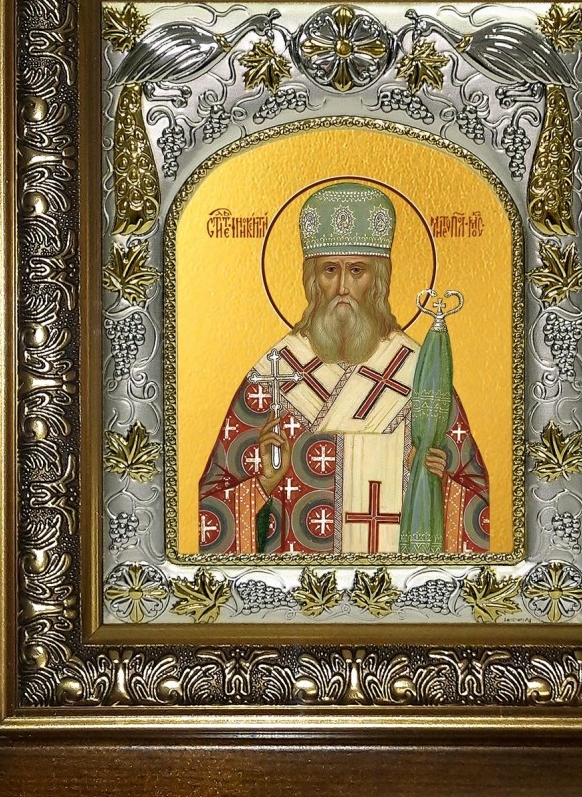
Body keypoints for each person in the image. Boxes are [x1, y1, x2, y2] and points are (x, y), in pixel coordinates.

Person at [198, 182, 490, 555]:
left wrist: (436, 483)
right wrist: (263, 486)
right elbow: (209, 509)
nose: (342, 287)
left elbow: (481, 505)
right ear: (312, 280)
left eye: (356, 270)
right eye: (329, 270)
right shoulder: (273, 375)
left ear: (379, 280)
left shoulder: (421, 376)